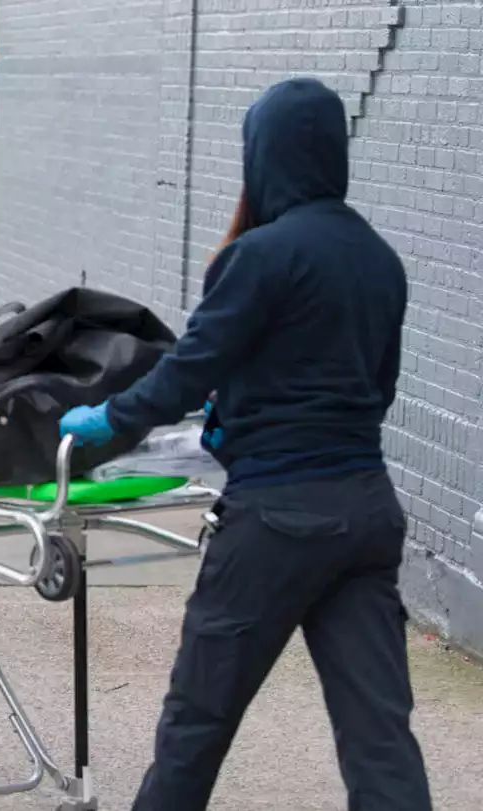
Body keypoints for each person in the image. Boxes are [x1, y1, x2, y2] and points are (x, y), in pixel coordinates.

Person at [58, 77, 433, 810]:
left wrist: (108, 421)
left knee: (197, 722)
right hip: (367, 515)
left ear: (263, 153)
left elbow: (188, 371)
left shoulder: (259, 255)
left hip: (276, 521)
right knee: (380, 736)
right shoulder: (379, 258)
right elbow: (377, 388)